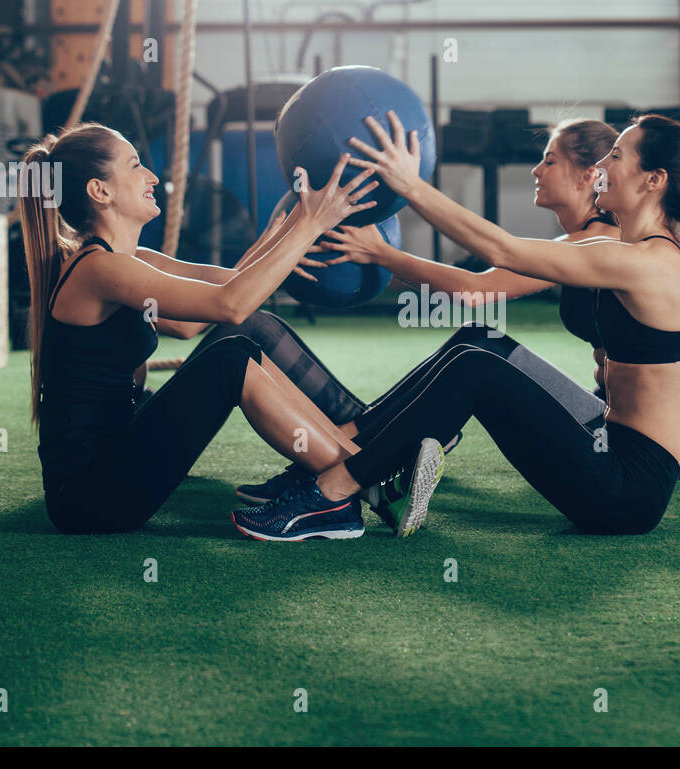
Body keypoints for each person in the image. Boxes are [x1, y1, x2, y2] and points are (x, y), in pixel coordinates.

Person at [232, 112, 680, 538]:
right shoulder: (627, 251)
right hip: (608, 441)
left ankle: (334, 493)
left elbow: (501, 252)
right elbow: (491, 274)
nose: (602, 166)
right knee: (478, 343)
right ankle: (341, 460)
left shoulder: (648, 263)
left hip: (627, 490)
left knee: (475, 367)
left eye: (616, 156)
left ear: (653, 180)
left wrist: (410, 186)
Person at [196, 119, 622, 505]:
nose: (536, 171)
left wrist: (384, 249)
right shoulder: (582, 242)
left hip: (600, 431)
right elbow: (473, 286)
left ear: (589, 175)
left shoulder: (603, 243)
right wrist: (375, 262)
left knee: (477, 352)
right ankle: (351, 450)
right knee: (477, 338)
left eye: (549, 160)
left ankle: (346, 465)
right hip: (592, 411)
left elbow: (475, 289)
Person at [18, 121, 384, 538]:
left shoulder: (129, 260)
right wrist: (310, 227)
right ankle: (368, 479)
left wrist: (289, 232)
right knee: (230, 358)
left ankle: (364, 454)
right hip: (89, 497)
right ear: (100, 191)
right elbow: (230, 303)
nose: (152, 176)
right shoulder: (100, 269)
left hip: (120, 450)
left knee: (242, 335)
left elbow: (205, 309)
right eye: (135, 165)